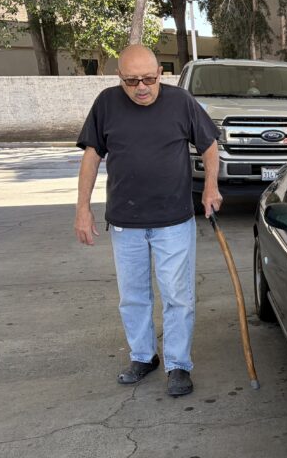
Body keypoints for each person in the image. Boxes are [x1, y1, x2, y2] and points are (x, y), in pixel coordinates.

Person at [73, 45, 223, 397]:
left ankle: (178, 365)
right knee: (133, 297)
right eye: (131, 81)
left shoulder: (181, 102)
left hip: (174, 219)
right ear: (119, 78)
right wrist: (82, 208)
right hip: (126, 221)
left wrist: (210, 187)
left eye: (149, 79)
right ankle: (143, 357)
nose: (142, 87)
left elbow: (210, 145)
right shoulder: (106, 104)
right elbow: (92, 157)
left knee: (177, 296)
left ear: (160, 74)